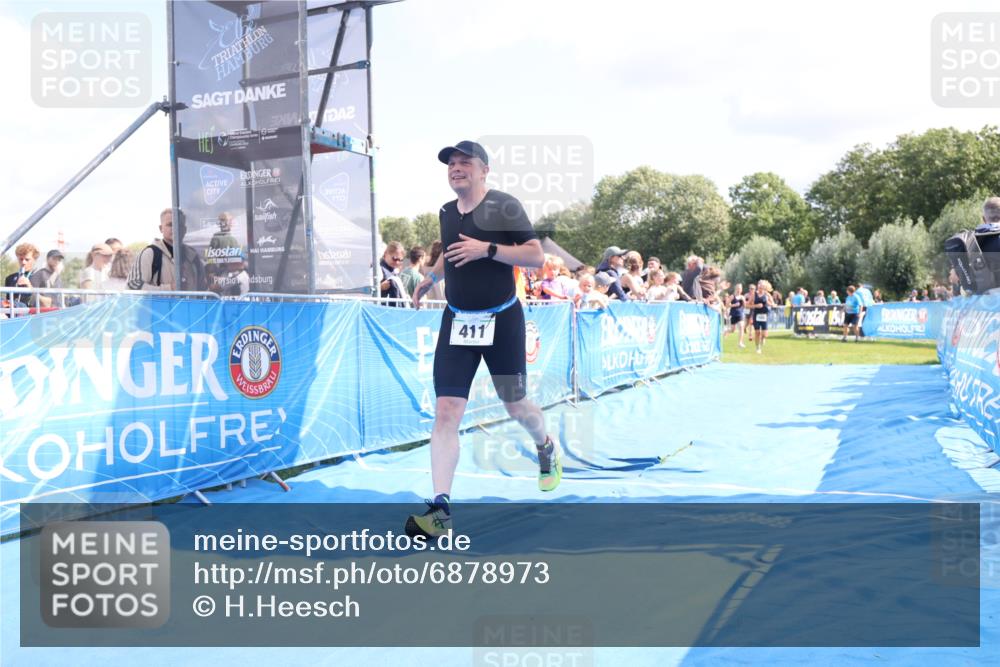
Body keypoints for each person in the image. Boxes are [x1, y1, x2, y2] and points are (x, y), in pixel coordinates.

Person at [407, 140, 559, 538]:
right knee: (446, 411)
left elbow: (534, 256)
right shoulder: (445, 211)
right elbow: (451, 253)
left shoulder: (503, 206)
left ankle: (545, 445)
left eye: (464, 163)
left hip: (502, 319)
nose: (456, 169)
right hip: (457, 321)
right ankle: (439, 511)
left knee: (514, 404)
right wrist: (433, 277)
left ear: (483, 170)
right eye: (451, 164)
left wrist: (487, 249)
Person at [128, 208, 205, 291]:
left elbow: (203, 289)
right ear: (161, 228)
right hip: (160, 304)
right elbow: (132, 288)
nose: (175, 228)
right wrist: (169, 288)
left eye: (179, 225)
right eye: (170, 224)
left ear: (185, 229)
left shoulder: (193, 256)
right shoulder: (150, 254)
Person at [4, 243, 53, 307]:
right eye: (21, 259)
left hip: (31, 314)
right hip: (14, 314)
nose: (23, 262)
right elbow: (7, 303)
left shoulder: (43, 277)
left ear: (34, 260)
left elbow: (48, 304)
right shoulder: (10, 278)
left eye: (27, 259)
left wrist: (30, 288)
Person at [749, 279, 776, 354]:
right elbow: (747, 305)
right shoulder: (754, 294)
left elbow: (772, 303)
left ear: (764, 287)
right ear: (758, 286)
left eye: (762, 285)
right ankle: (758, 348)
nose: (760, 286)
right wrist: (756, 305)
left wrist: (772, 304)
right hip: (756, 315)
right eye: (759, 285)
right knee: (757, 332)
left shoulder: (767, 294)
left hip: (764, 315)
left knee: (764, 334)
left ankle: (763, 338)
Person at [725, 283, 746, 348]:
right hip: (733, 314)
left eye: (740, 288)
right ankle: (726, 331)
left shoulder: (742, 297)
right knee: (732, 330)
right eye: (738, 288)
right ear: (735, 289)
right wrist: (734, 305)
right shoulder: (732, 296)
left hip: (740, 314)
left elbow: (745, 306)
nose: (739, 290)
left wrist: (744, 301)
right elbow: (727, 304)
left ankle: (740, 343)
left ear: (741, 289)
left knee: (741, 327)